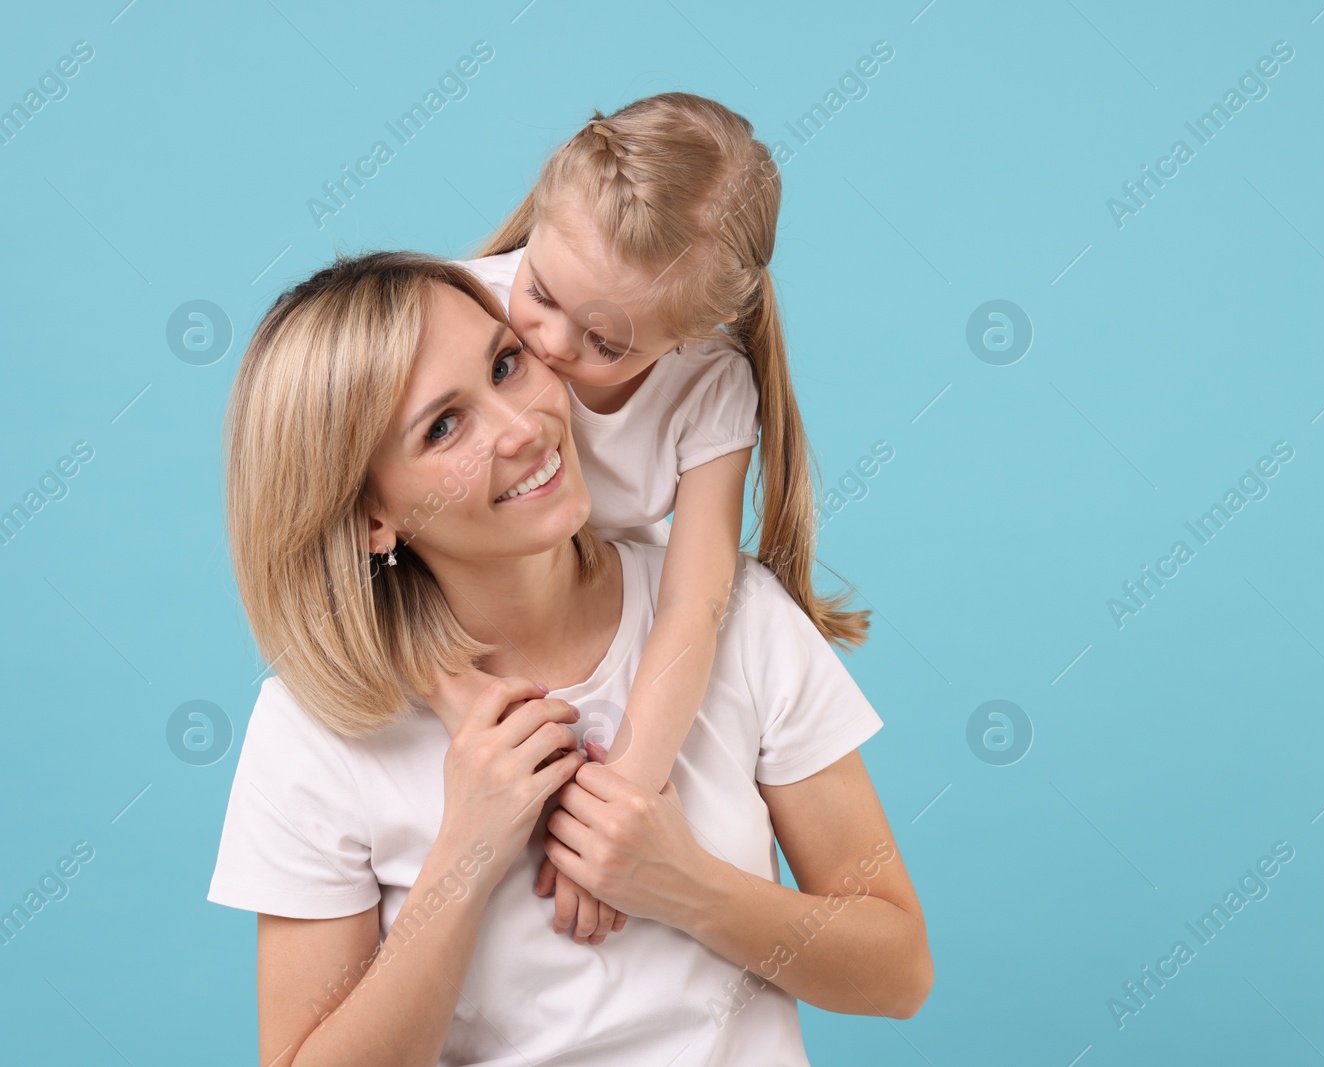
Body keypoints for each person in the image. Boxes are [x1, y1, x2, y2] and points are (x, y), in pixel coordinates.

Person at [207, 251, 932, 1067]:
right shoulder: (317, 730)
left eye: (507, 364)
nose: (524, 427)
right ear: (374, 516)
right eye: (445, 426)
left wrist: (690, 887)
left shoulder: (742, 617)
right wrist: (467, 855)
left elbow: (898, 970)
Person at [462, 93, 868, 941]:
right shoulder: (462, 305)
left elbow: (695, 598)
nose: (550, 346)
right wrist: (463, 702)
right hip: (485, 633)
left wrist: (621, 800)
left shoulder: (711, 386)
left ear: (696, 331)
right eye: (540, 293)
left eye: (606, 345)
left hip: (629, 647)